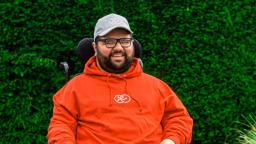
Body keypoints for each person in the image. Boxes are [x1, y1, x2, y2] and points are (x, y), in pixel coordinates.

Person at [47, 13, 193, 144]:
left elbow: (179, 118)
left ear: (132, 44)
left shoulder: (157, 86)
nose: (118, 48)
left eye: (124, 41)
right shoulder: (74, 88)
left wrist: (170, 141)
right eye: (109, 41)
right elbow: (61, 126)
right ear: (95, 47)